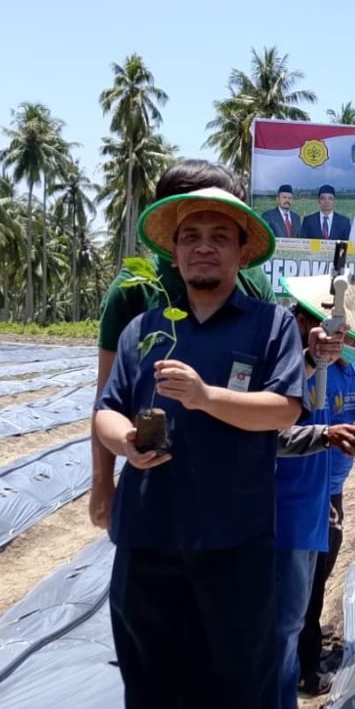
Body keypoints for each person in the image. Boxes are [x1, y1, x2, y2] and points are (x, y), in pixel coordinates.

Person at [94, 186, 303, 709]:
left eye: (218, 238)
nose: (202, 248)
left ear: (241, 252)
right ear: (176, 253)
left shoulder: (269, 324)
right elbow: (107, 410)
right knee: (149, 689)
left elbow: (283, 410)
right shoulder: (145, 329)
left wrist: (205, 396)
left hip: (233, 540)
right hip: (148, 538)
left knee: (243, 690)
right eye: (190, 237)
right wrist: (124, 443)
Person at [91, 159, 276, 533]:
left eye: (221, 228)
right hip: (154, 488)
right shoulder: (134, 289)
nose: (205, 244)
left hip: (235, 493)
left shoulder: (252, 282)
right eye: (192, 230)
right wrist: (102, 483)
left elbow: (282, 395)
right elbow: (107, 398)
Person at [273, 276, 355, 709]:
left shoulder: (339, 371)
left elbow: (334, 430)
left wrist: (331, 494)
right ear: (301, 322)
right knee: (276, 623)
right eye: (326, 329)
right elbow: (273, 434)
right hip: (281, 510)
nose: (335, 340)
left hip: (313, 504)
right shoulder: (284, 368)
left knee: (293, 615)